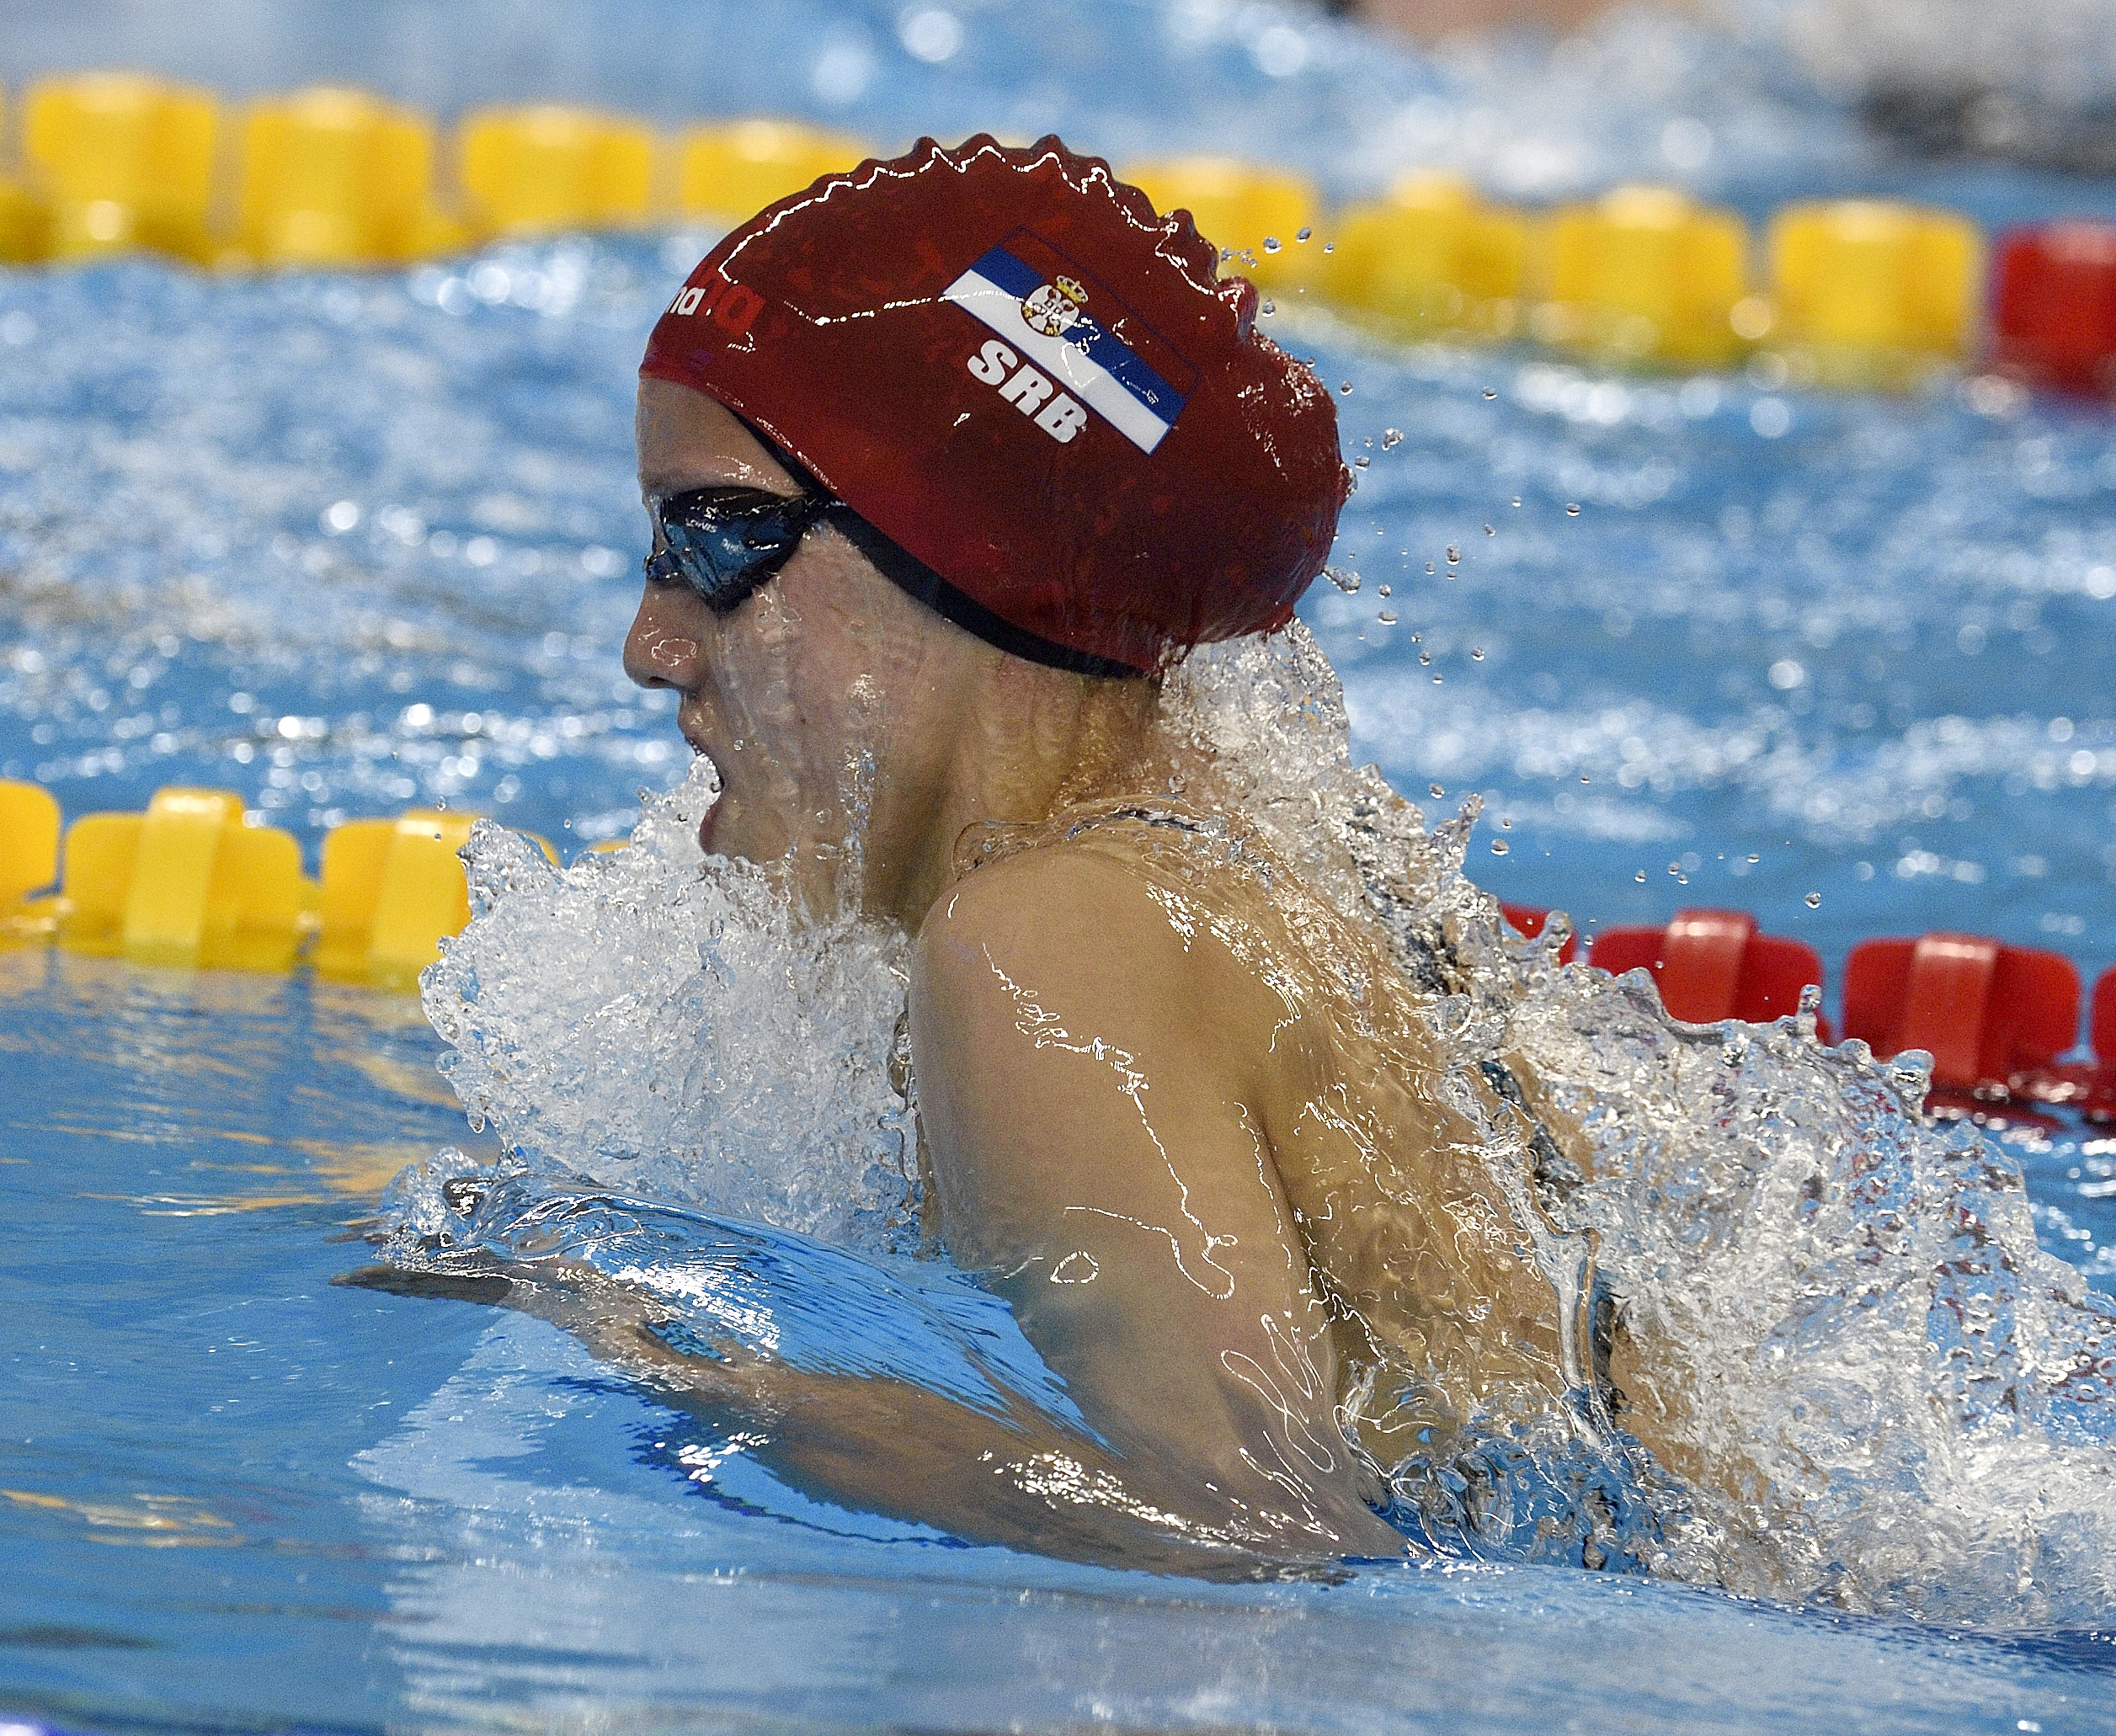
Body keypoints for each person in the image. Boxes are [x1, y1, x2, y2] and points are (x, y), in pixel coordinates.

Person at [516, 134, 1624, 1576]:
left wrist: (687, 1360)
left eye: (716, 536)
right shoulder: (1244, 862)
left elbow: (1260, 1543)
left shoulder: (1046, 942)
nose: (650, 646)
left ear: (962, 558)